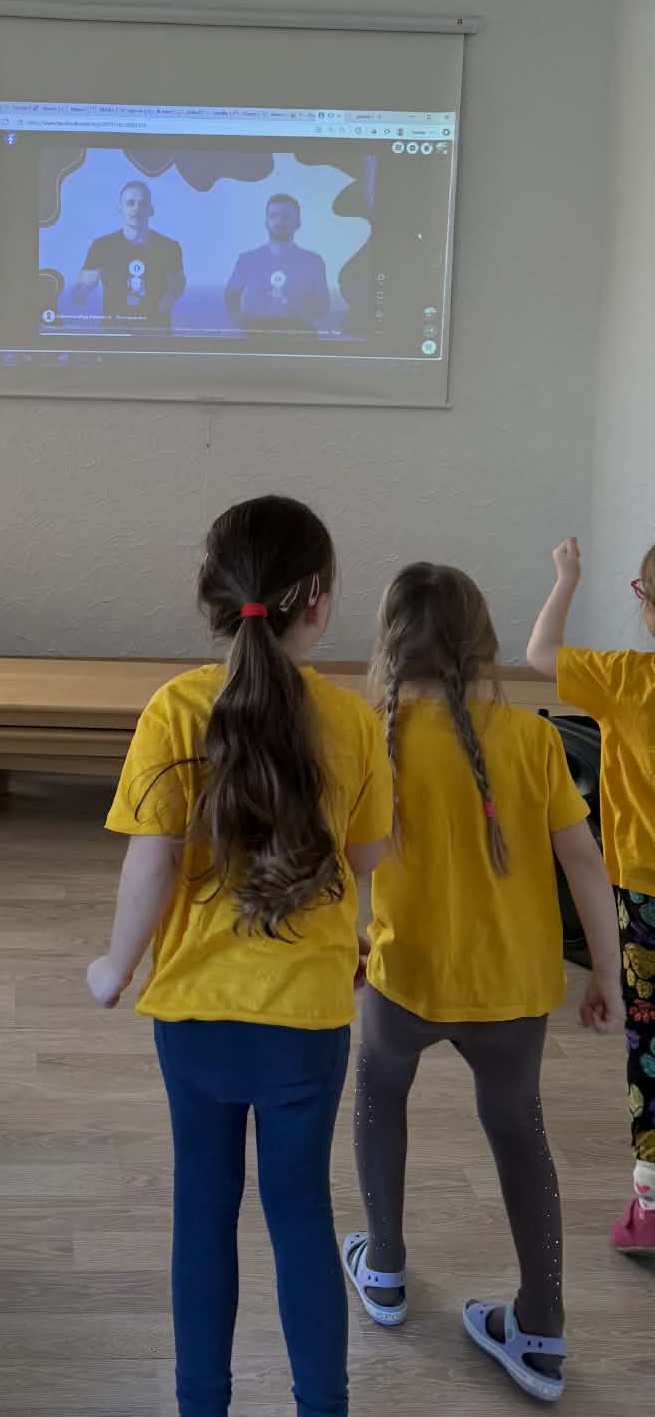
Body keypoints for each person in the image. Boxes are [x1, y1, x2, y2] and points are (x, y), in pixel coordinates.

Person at [88, 496, 391, 1417]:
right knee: (302, 1219)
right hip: (306, 1021)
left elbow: (151, 862)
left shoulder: (174, 709)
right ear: (318, 601)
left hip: (194, 1017)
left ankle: (202, 1404)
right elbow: (369, 855)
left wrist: (115, 965)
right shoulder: (352, 721)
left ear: (213, 598)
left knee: (203, 1215)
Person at [347, 564, 621, 1406]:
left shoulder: (370, 737)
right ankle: (541, 1329)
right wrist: (608, 972)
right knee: (519, 1134)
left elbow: (343, 863)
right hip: (513, 991)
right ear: (482, 644)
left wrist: (347, 941)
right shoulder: (532, 738)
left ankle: (383, 1268)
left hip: (404, 979)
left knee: (378, 1096)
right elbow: (585, 863)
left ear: (389, 644)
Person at [527, 535, 655, 1256]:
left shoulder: (624, 680)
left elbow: (540, 652)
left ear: (647, 608)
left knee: (650, 1036)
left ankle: (652, 1196)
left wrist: (566, 577)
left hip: (645, 895)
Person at [72, 180, 185, 327]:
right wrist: (80, 292)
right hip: (114, 336)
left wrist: (168, 301)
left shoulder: (169, 248)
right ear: (120, 209)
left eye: (142, 204)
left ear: (151, 210)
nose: (136, 209)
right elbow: (85, 285)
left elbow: (177, 284)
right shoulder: (102, 247)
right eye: (130, 203)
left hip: (156, 334)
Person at [224, 193, 329, 331]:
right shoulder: (246, 261)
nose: (280, 221)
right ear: (266, 222)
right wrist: (244, 330)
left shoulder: (313, 262)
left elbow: (321, 308)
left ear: (298, 222)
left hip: (299, 338)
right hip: (255, 338)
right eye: (273, 216)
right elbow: (231, 299)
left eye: (286, 216)